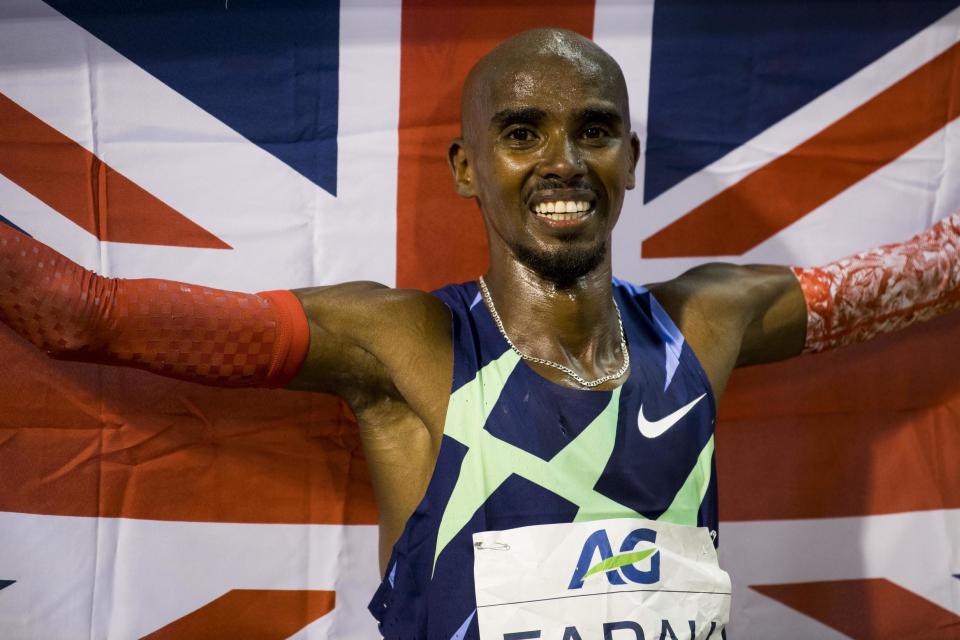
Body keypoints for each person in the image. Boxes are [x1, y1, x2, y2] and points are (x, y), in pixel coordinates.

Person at [1, 28, 958, 639]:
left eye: (593, 130)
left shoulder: (706, 323)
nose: (563, 162)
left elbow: (928, 275)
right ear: (467, 167)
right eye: (522, 132)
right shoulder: (402, 341)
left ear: (630, 159)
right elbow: (78, 313)